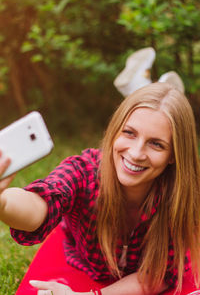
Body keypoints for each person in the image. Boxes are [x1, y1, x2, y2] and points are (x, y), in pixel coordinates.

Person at [0, 82, 200, 295]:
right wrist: (2, 201)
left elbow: (157, 275)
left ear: (173, 155)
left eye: (156, 144)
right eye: (130, 133)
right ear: (115, 131)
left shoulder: (178, 195)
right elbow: (41, 203)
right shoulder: (84, 171)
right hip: (81, 265)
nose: (136, 153)